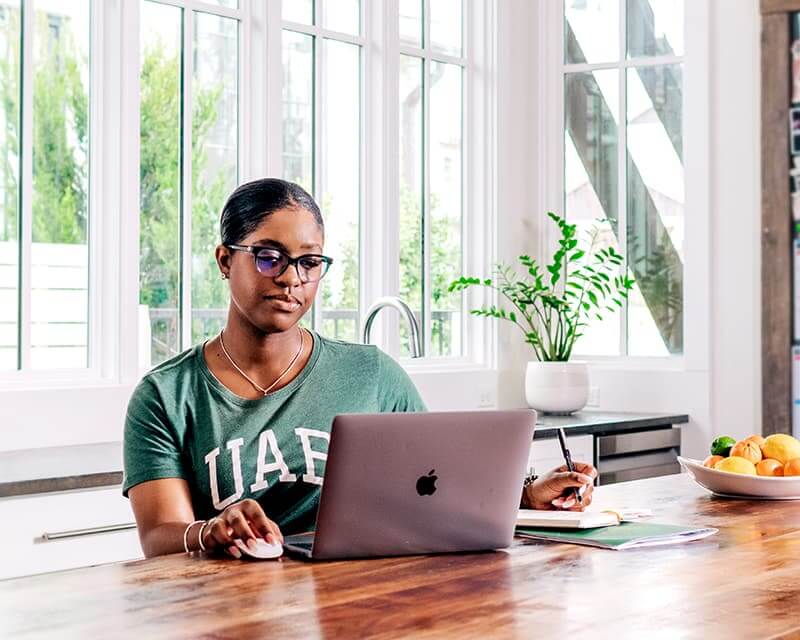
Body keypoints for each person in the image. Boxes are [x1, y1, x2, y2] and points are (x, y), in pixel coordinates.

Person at [124, 178, 597, 559]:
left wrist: (528, 494)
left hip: (359, 605)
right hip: (230, 611)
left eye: (309, 262)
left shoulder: (370, 374)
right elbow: (160, 536)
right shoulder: (166, 395)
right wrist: (209, 532)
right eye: (270, 258)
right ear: (226, 260)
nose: (292, 278)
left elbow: (439, 485)